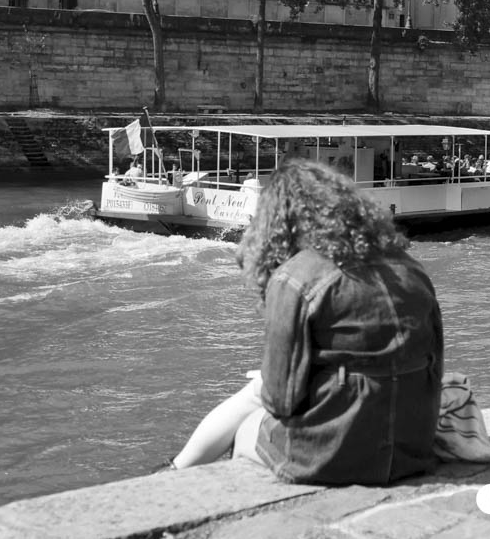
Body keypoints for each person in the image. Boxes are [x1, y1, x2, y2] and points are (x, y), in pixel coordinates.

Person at [169, 159, 444, 485]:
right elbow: (434, 370)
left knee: (248, 425)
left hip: (335, 456)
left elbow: (280, 400)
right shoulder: (410, 268)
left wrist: (272, 382)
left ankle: (173, 477)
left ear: (280, 221)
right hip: (414, 447)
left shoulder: (296, 277)